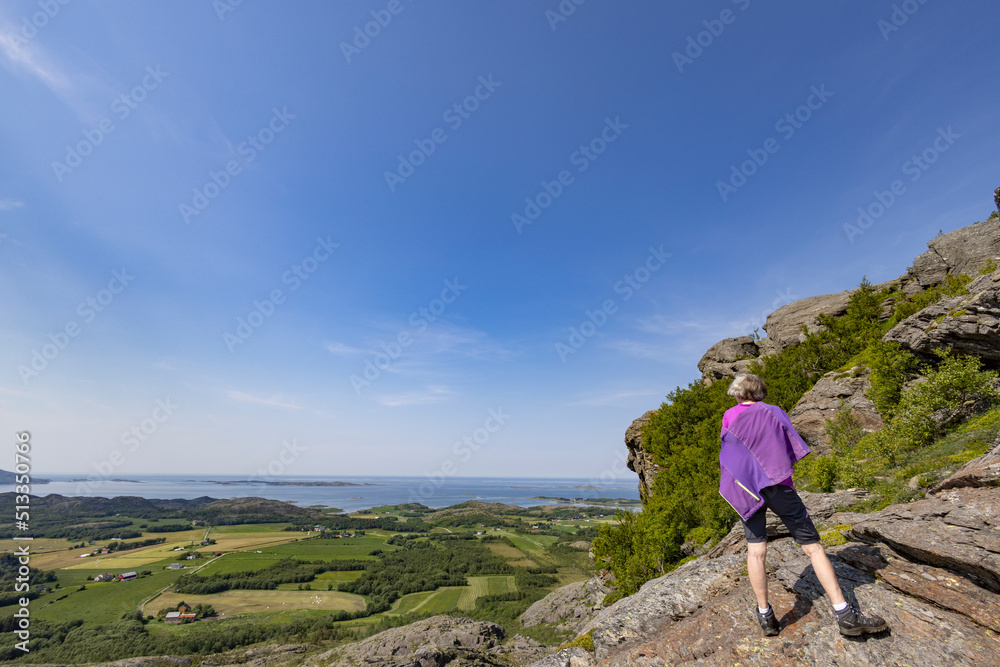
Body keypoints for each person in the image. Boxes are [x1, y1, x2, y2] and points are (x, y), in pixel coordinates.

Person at [718, 373, 888, 637]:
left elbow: (731, 454)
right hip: (779, 485)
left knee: (756, 551)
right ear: (760, 392)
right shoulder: (774, 412)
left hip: (747, 489)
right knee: (814, 548)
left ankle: (766, 617)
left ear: (739, 394)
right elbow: (785, 445)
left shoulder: (730, 416)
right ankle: (845, 614)